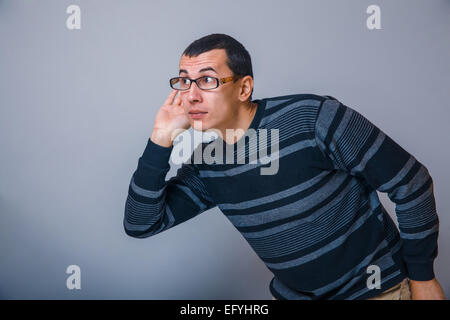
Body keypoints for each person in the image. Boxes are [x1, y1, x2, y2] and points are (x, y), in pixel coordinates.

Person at [123, 33, 445, 300]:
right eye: (183, 81)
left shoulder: (312, 117)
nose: (190, 95)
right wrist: (160, 139)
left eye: (206, 80)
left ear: (244, 88)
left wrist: (423, 277)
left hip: (378, 291)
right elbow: (141, 224)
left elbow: (410, 182)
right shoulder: (208, 164)